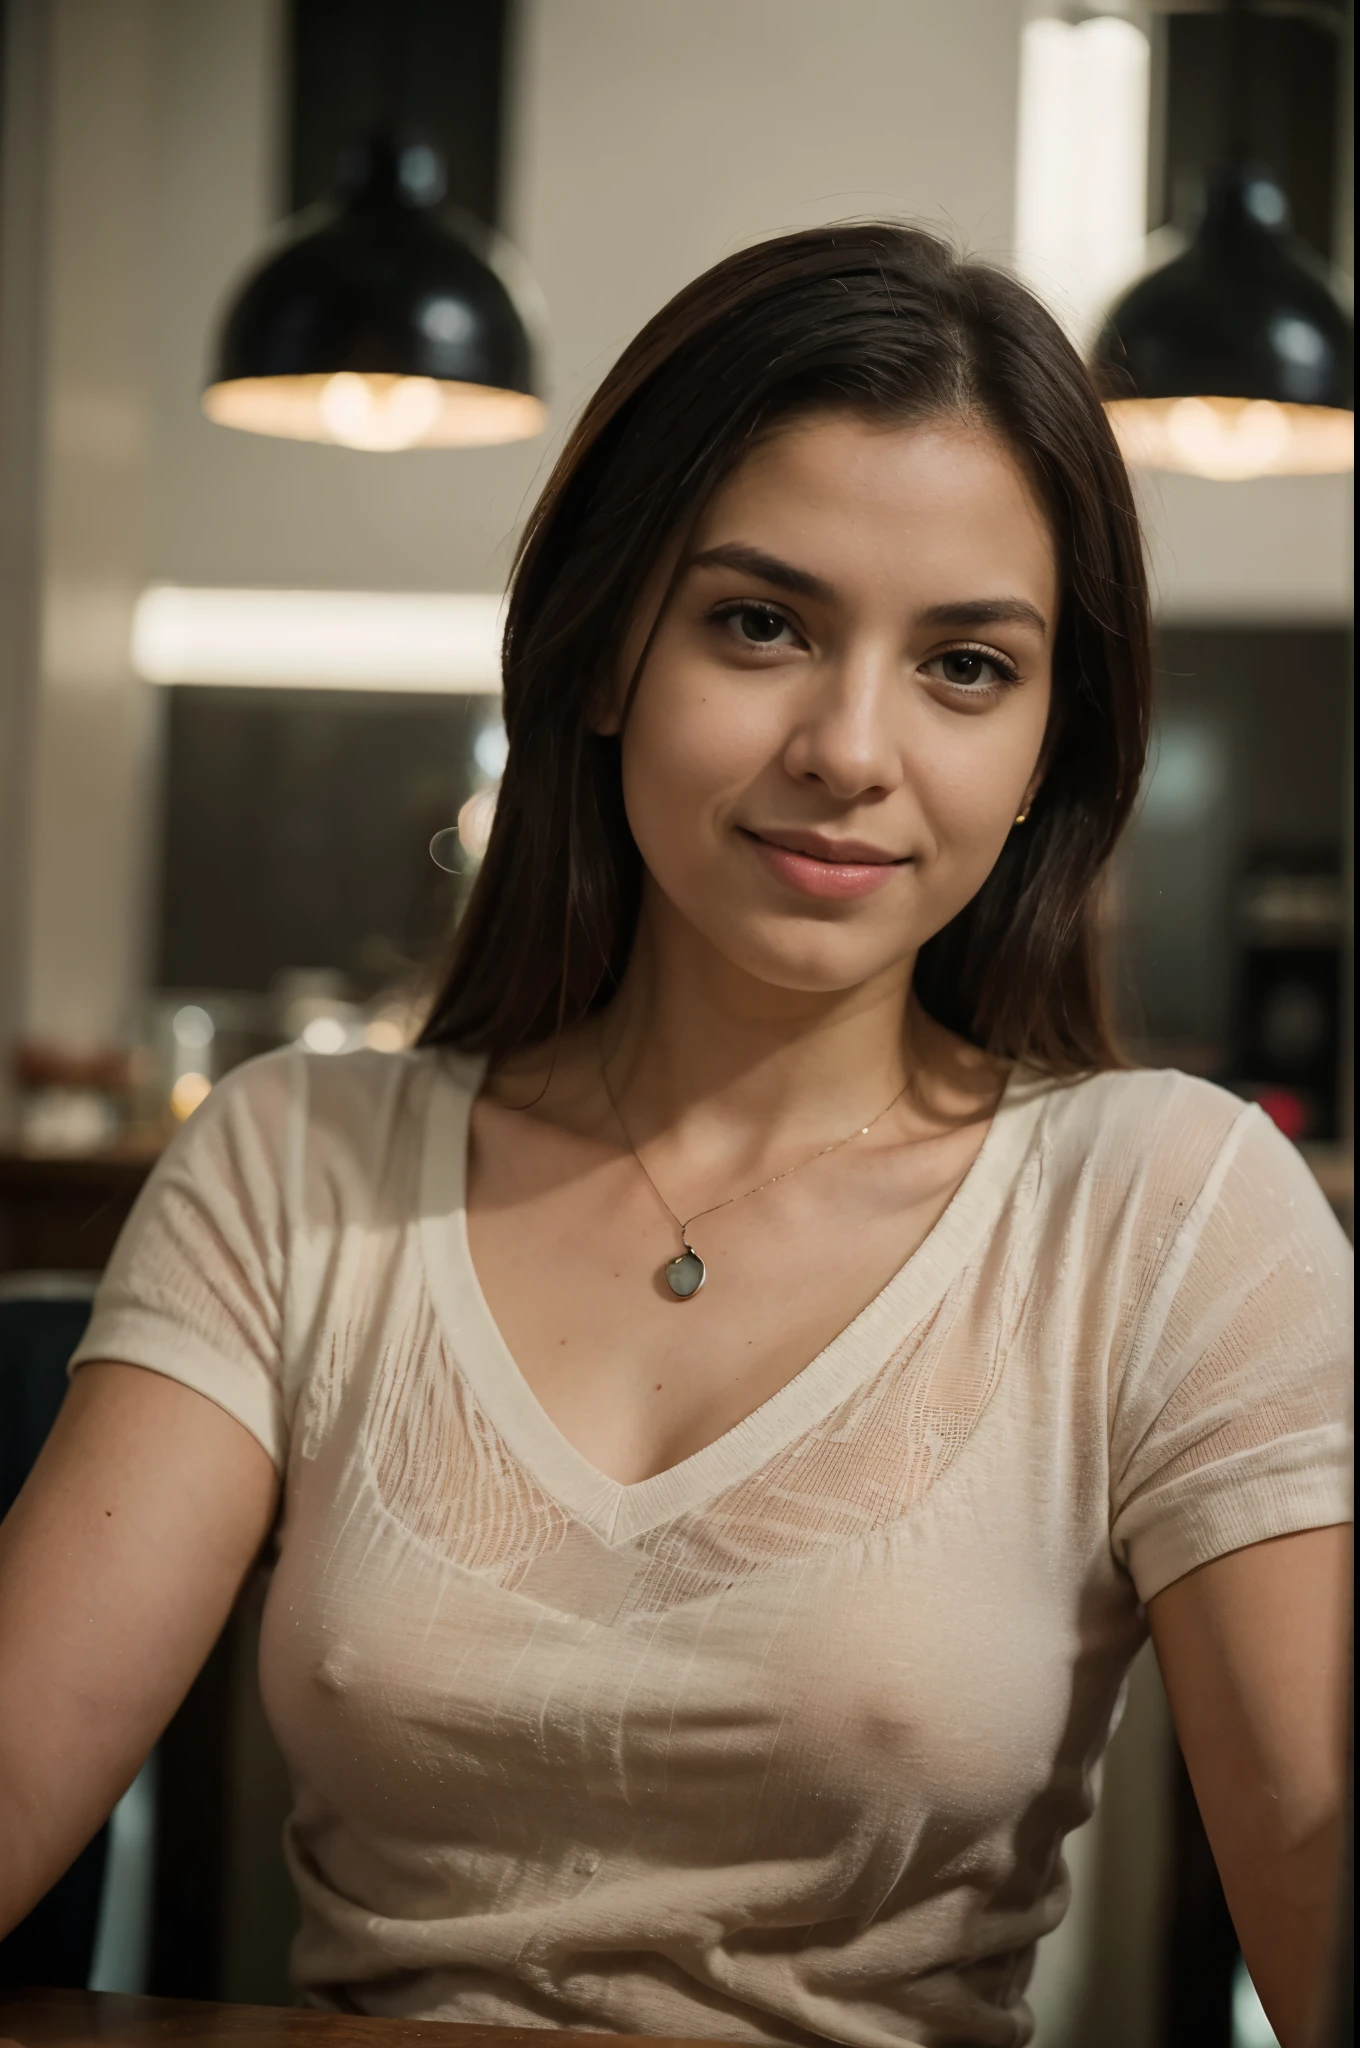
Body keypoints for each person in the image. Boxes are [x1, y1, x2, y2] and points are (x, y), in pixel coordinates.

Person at [0, 224, 1350, 2048]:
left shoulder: (1165, 1208)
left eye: (966, 665)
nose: (851, 749)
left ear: (1046, 749)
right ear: (607, 650)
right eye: (761, 623)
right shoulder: (295, 1163)